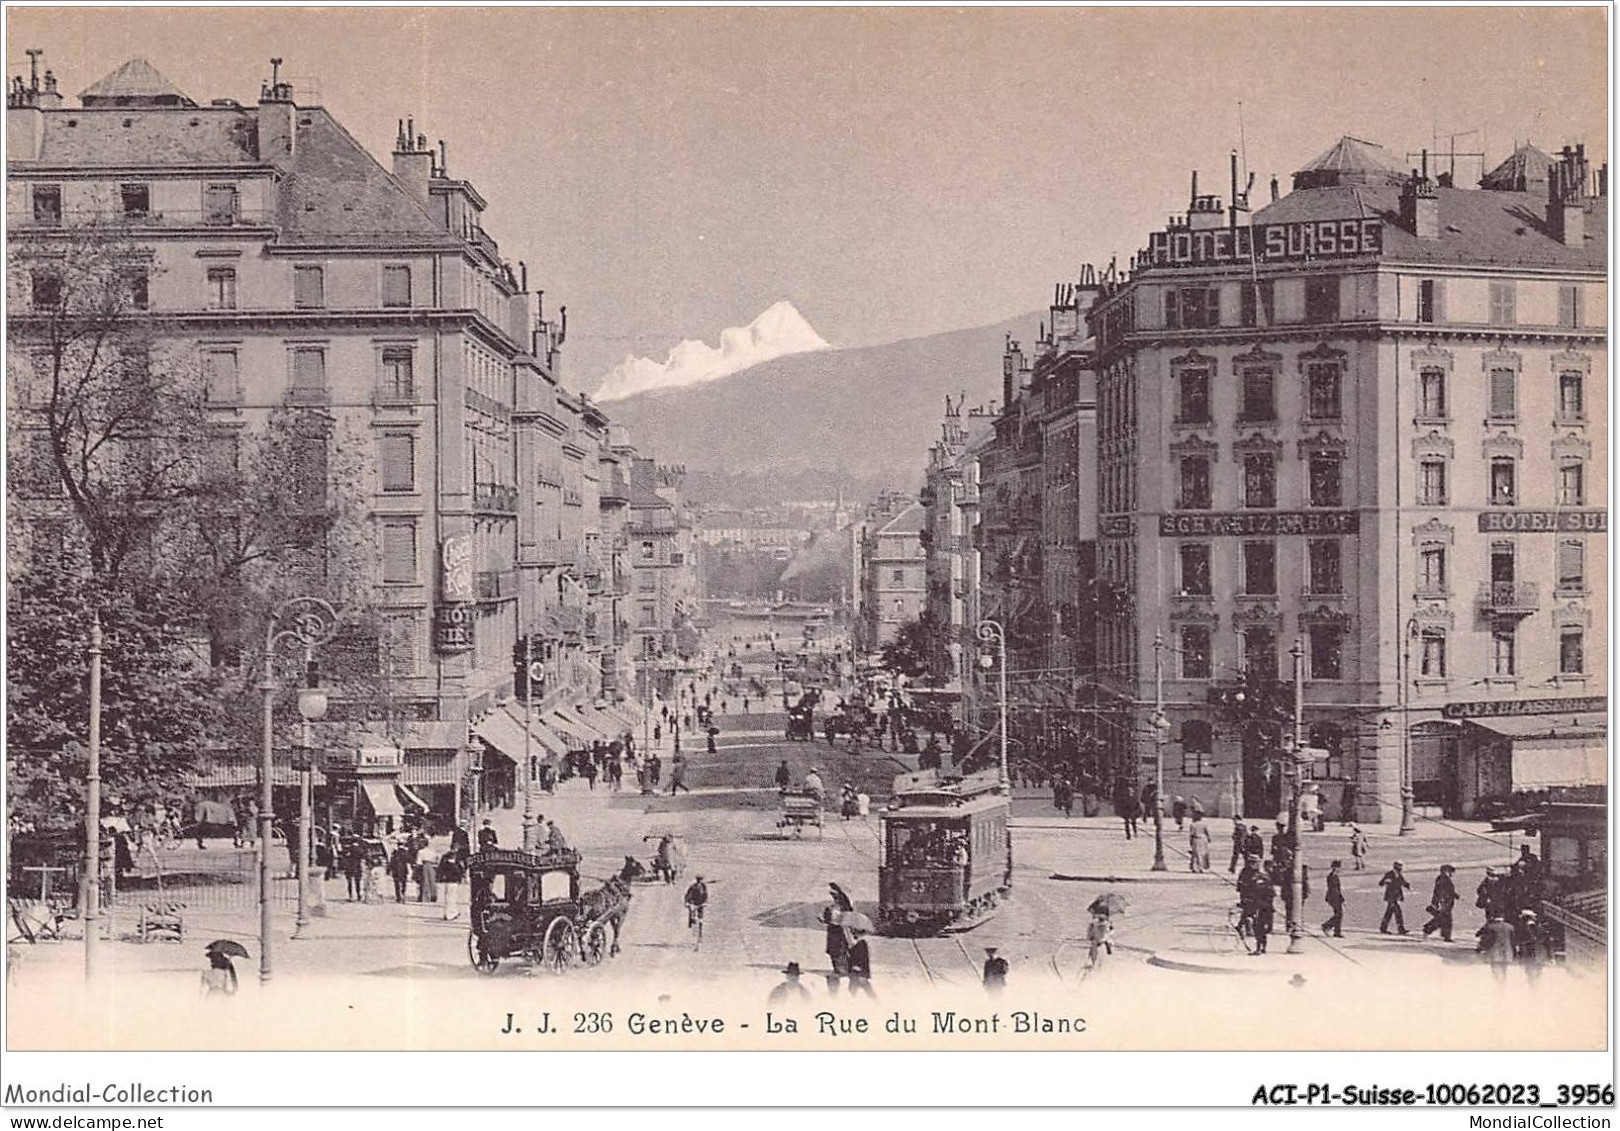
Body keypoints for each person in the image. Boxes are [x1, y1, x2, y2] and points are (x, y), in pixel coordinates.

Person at [1422, 864, 1458, 942]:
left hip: (1446, 903)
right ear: (1446, 871)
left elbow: (1448, 890)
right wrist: (1438, 902)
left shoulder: (1443, 879)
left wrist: (1454, 895)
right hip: (1443, 903)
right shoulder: (1443, 879)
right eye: (1450, 872)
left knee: (1445, 919)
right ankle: (1428, 930)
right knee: (1442, 919)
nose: (1452, 874)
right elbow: (1439, 892)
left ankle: (1445, 936)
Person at [1477, 913, 1515, 984]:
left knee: (1495, 970)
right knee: (1504, 970)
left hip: (1494, 952)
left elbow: (1486, 940)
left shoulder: (1490, 927)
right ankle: (1502, 985)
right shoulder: (1510, 927)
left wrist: (1481, 948)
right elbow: (1513, 940)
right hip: (1507, 952)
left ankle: (1498, 985)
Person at [1379, 861, 1411, 934]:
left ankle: (1383, 928)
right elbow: (1381, 883)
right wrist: (1386, 881)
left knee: (1389, 913)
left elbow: (1403, 882)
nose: (1401, 869)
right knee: (1397, 913)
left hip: (1396, 897)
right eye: (1399, 867)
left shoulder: (1399, 875)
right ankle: (1400, 929)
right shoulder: (1389, 874)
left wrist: (1407, 885)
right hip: (1391, 897)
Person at [845, 928, 875, 997]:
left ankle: (878, 1004)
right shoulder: (859, 944)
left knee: (854, 990)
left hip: (858, 971)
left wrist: (859, 968)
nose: (853, 935)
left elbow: (862, 958)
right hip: (859, 971)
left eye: (854, 933)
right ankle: (878, 1004)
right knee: (867, 990)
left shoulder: (861, 944)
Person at [438, 849, 466, 921]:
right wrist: (462, 876)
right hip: (454, 881)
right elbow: (460, 870)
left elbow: (440, 869)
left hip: (448, 880)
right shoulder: (456, 861)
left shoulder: (445, 859)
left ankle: (451, 912)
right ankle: (450, 914)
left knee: (448, 897)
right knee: (452, 897)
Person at [1321, 859, 1346, 938]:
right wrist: (1341, 899)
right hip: (1333, 897)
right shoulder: (1331, 876)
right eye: (1339, 867)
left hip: (1335, 897)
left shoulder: (1335, 876)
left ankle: (1337, 932)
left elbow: (1338, 889)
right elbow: (1334, 889)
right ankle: (1327, 925)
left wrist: (1342, 898)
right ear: (1335, 868)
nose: (1340, 869)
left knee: (1339, 914)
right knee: (1339, 914)